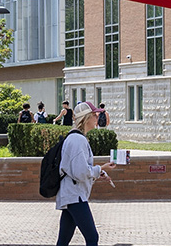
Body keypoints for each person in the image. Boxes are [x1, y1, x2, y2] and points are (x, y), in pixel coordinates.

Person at [56, 102, 117, 246]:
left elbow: (80, 169)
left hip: (71, 194)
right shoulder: (78, 140)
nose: (98, 118)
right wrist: (99, 169)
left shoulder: (75, 137)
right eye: (95, 115)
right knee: (92, 237)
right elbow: (81, 172)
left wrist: (100, 170)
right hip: (75, 195)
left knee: (63, 241)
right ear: (86, 118)